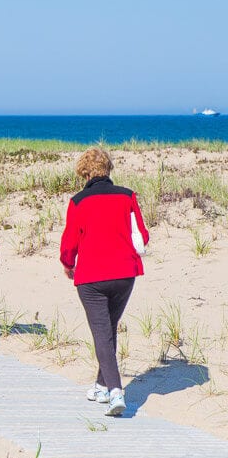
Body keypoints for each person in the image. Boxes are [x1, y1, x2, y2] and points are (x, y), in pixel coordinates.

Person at [60, 146, 149, 417]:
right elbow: (142, 236)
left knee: (102, 332)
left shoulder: (78, 201)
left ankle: (115, 392)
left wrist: (67, 263)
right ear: (108, 168)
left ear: (84, 172)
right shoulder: (128, 196)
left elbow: (69, 243)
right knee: (108, 329)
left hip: (92, 277)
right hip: (125, 274)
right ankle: (101, 385)